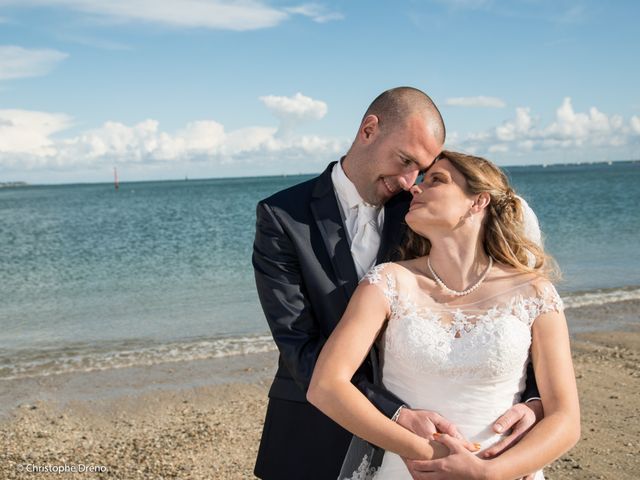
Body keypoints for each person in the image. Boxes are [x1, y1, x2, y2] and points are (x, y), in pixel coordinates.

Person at [253, 87, 543, 480]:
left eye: (421, 170)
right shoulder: (282, 215)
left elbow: (503, 306)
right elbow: (298, 343)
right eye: (405, 160)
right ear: (369, 130)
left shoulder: (426, 209)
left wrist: (533, 400)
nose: (410, 181)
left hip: (439, 433)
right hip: (316, 427)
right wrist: (394, 413)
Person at [307, 151, 581, 479]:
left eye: (436, 179)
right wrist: (428, 454)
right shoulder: (387, 282)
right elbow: (325, 386)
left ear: (477, 202)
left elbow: (565, 419)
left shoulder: (533, 292)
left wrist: (487, 473)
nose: (415, 188)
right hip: (408, 470)